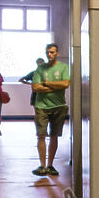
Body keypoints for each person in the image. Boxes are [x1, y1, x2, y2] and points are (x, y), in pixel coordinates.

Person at [31, 44, 70, 177]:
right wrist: (55, 87)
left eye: (52, 52)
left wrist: (46, 84)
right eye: (48, 52)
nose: (49, 55)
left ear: (57, 54)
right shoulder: (40, 69)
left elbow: (65, 84)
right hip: (42, 106)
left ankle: (50, 165)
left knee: (54, 136)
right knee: (41, 135)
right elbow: (35, 87)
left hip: (59, 106)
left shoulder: (64, 67)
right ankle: (42, 166)